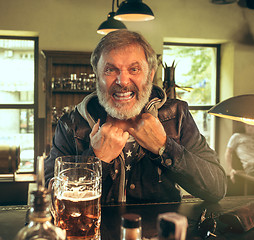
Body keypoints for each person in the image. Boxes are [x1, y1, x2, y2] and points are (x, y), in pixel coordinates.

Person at [44, 30, 227, 204]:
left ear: (150, 75)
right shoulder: (72, 124)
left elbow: (217, 188)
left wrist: (164, 147)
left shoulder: (176, 115)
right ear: (97, 76)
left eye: (134, 69)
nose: (122, 81)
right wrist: (97, 160)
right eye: (110, 70)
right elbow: (49, 198)